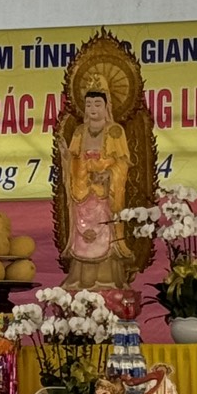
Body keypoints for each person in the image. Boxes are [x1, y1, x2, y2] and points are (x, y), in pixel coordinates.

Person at [61, 83, 133, 290]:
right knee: (83, 237)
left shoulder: (116, 132)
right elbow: (73, 159)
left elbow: (123, 162)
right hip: (82, 190)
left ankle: (107, 279)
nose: (92, 108)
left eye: (97, 104)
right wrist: (66, 157)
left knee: (106, 232)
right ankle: (80, 279)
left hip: (106, 192)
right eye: (89, 104)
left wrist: (109, 173)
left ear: (106, 106)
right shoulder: (79, 132)